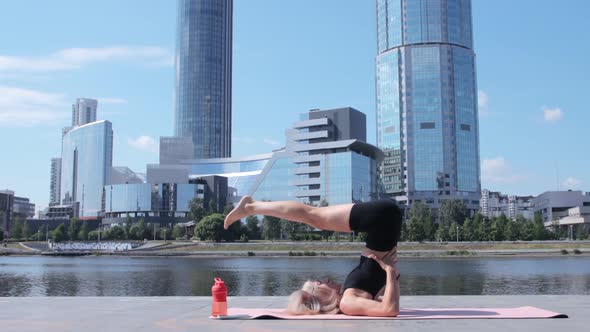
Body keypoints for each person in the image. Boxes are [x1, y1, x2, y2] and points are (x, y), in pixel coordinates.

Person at [224, 195, 402, 317]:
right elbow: (390, 308)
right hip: (383, 217)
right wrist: (391, 273)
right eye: (319, 283)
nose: (324, 278)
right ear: (317, 298)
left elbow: (388, 307)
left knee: (314, 216)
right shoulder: (348, 303)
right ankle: (250, 207)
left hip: (384, 218)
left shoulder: (348, 301)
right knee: (313, 215)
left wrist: (389, 272)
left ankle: (252, 207)